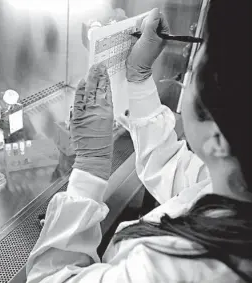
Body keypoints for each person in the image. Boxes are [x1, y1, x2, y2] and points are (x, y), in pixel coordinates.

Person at [26, 1, 252, 282]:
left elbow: (51, 278)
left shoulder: (169, 269)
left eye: (194, 71)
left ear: (219, 138)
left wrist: (89, 168)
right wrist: (139, 76)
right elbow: (174, 168)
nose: (186, 81)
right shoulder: (236, 183)